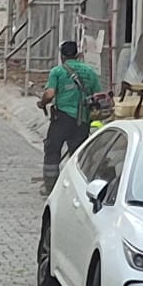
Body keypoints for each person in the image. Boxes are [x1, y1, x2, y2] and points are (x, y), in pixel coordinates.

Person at [39, 39, 102, 190]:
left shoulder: (58, 72)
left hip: (62, 118)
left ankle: (50, 186)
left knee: (52, 150)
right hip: (83, 120)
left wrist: (42, 103)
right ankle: (78, 187)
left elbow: (50, 93)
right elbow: (98, 95)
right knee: (78, 154)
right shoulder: (89, 72)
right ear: (78, 55)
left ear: (62, 56)